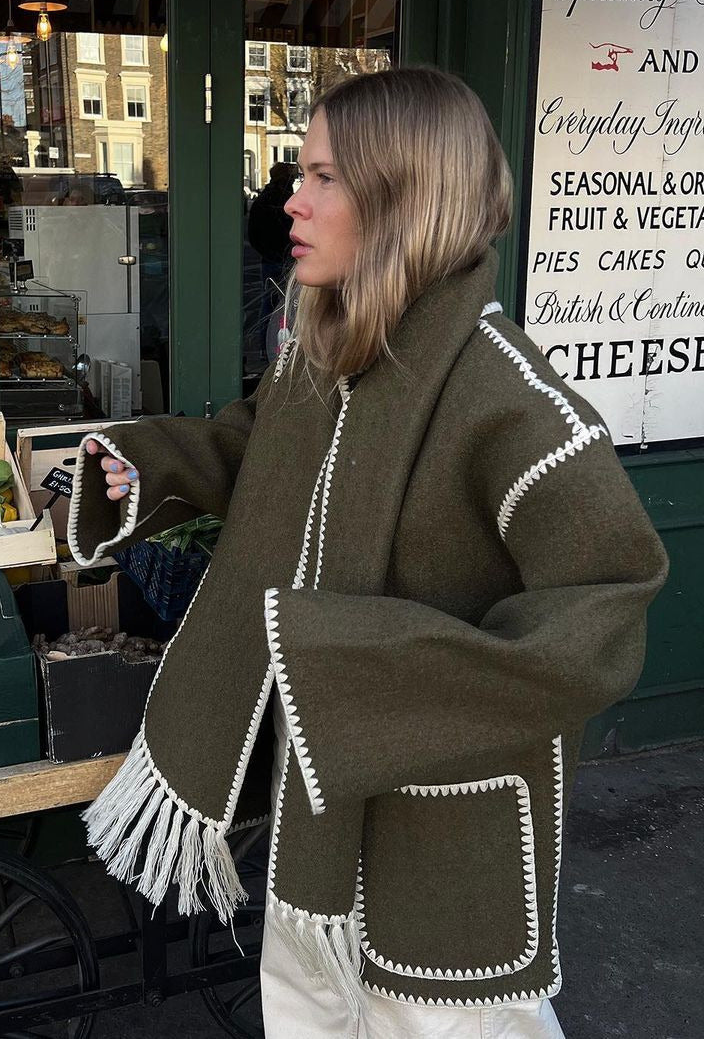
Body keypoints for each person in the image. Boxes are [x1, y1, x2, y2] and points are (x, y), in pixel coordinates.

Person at [66, 67, 667, 1038]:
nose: (292, 200)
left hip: (443, 837)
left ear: (405, 196)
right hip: (318, 819)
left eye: (324, 177)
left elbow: (606, 611)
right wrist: (151, 465)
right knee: (308, 1009)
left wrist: (371, 668)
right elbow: (259, 447)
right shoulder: (328, 348)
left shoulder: (508, 399)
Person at [247, 163, 299, 363]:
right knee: (287, 306)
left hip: (272, 259)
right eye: (292, 176)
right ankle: (280, 351)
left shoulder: (264, 199)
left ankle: (266, 350)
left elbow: (254, 234)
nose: (294, 180)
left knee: (269, 306)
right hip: (281, 259)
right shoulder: (282, 200)